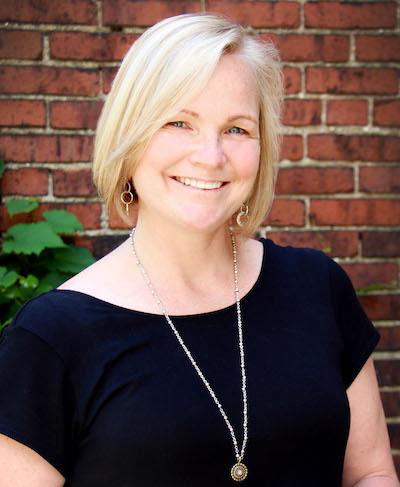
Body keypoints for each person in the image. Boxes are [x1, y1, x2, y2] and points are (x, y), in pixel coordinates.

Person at [0, 13, 398, 487]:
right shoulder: (50, 339)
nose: (210, 156)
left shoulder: (319, 288)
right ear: (129, 138)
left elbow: (370, 473)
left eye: (236, 129)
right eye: (179, 122)